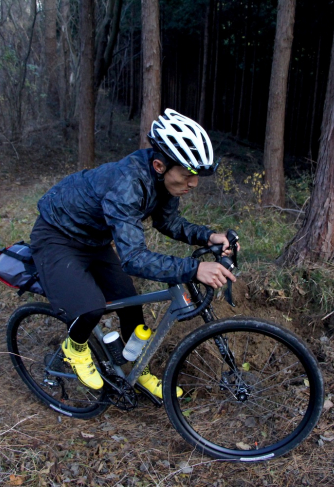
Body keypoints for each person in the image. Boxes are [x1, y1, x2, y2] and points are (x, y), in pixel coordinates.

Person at [30, 109, 236, 399]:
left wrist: (209, 236)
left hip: (94, 240)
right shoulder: (126, 184)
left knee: (130, 303)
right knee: (91, 307)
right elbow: (134, 258)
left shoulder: (161, 181)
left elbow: (168, 222)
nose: (193, 183)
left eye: (197, 176)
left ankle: (134, 370)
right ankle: (74, 348)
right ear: (160, 165)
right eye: (188, 174)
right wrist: (194, 268)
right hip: (57, 235)